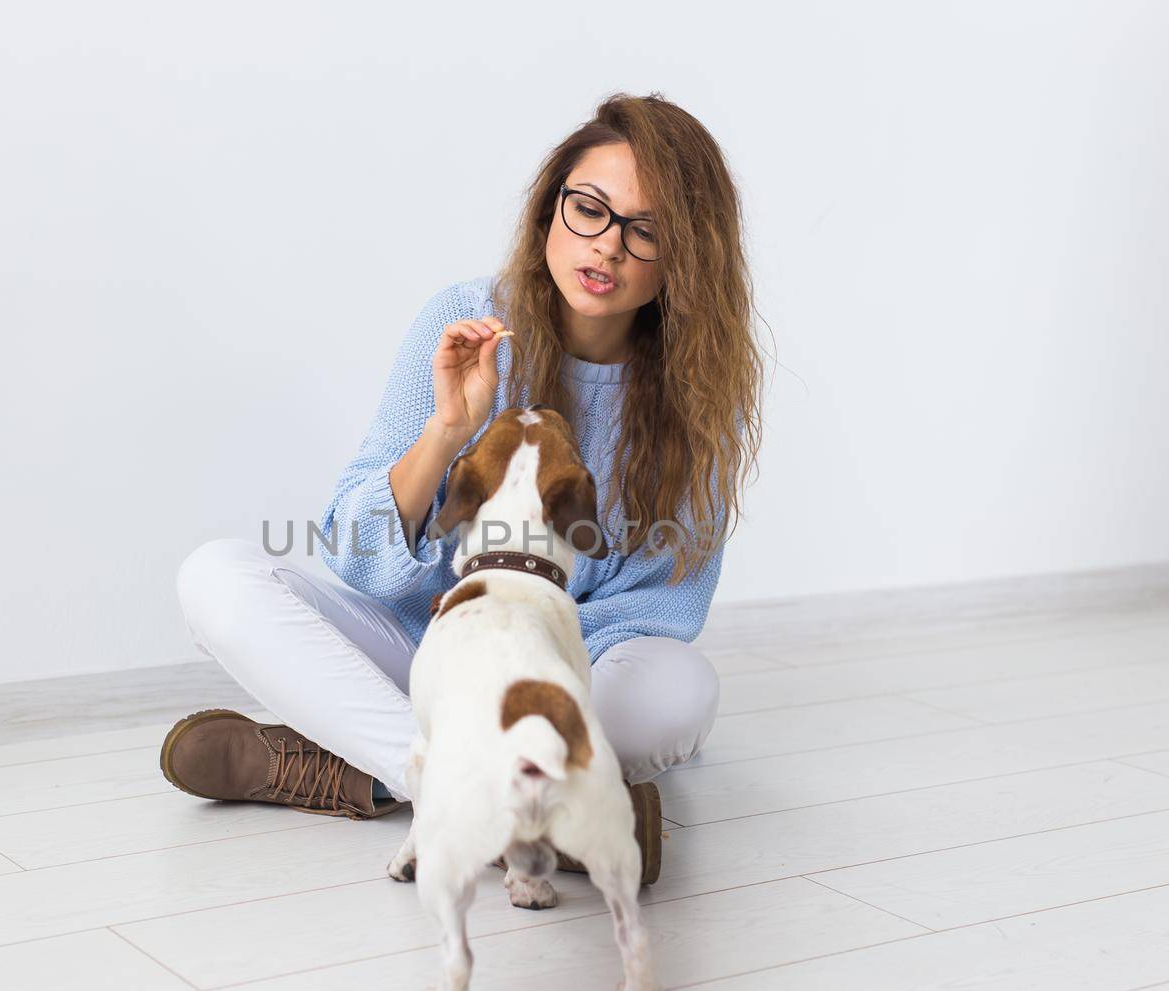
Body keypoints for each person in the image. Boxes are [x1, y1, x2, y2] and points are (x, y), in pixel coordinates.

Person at [163, 92, 765, 885]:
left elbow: (656, 609)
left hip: (560, 677)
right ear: (551, 208)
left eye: (646, 229)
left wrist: (527, 674)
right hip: (425, 652)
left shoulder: (696, 390)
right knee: (219, 577)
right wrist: (446, 430)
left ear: (687, 255)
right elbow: (357, 552)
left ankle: (362, 768)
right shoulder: (464, 319)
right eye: (590, 208)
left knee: (682, 687)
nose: (609, 246)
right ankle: (516, 802)